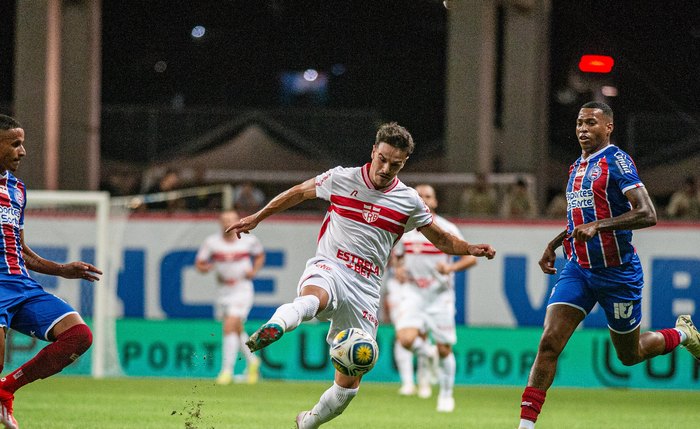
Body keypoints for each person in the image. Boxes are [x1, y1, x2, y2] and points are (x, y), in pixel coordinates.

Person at [227, 122, 496, 429]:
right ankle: (276, 324)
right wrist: (258, 217)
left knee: (348, 388)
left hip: (365, 288)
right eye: (382, 159)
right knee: (314, 298)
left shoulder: (409, 201)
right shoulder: (342, 178)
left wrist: (470, 248)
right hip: (330, 265)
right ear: (373, 151)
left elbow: (442, 239)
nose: (385, 168)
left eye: (395, 164)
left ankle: (307, 423)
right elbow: (299, 192)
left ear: (404, 163)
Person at [517, 102, 700, 429]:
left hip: (617, 274)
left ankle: (682, 333)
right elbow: (581, 220)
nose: (583, 129)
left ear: (608, 127)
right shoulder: (577, 167)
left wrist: (601, 227)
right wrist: (554, 244)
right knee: (548, 343)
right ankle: (525, 426)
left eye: (591, 123)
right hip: (578, 269)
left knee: (630, 355)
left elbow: (648, 213)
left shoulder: (617, 161)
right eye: (579, 123)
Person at [0, 115, 102, 429]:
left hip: (22, 286)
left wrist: (61, 270)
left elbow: (21, 249)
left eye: (23, 143)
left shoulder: (17, 190)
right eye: (15, 143)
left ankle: (6, 389)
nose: (23, 151)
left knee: (79, 335)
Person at [393, 184, 478, 412]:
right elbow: (397, 257)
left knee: (444, 348)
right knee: (406, 339)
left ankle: (446, 395)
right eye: (419, 196)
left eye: (428, 196)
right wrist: (399, 268)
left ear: (435, 201)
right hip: (413, 292)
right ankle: (427, 354)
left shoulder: (447, 228)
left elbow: (471, 258)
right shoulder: (405, 230)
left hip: (440, 296)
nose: (423, 199)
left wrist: (450, 269)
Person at [195, 209, 265, 385]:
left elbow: (260, 255)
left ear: (238, 221)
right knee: (237, 329)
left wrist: (254, 271)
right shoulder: (212, 243)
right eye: (225, 220)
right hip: (223, 290)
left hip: (242, 288)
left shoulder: (248, 241)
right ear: (220, 223)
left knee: (229, 327)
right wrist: (208, 268)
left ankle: (226, 371)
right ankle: (252, 361)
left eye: (231, 220)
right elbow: (200, 263)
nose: (228, 223)